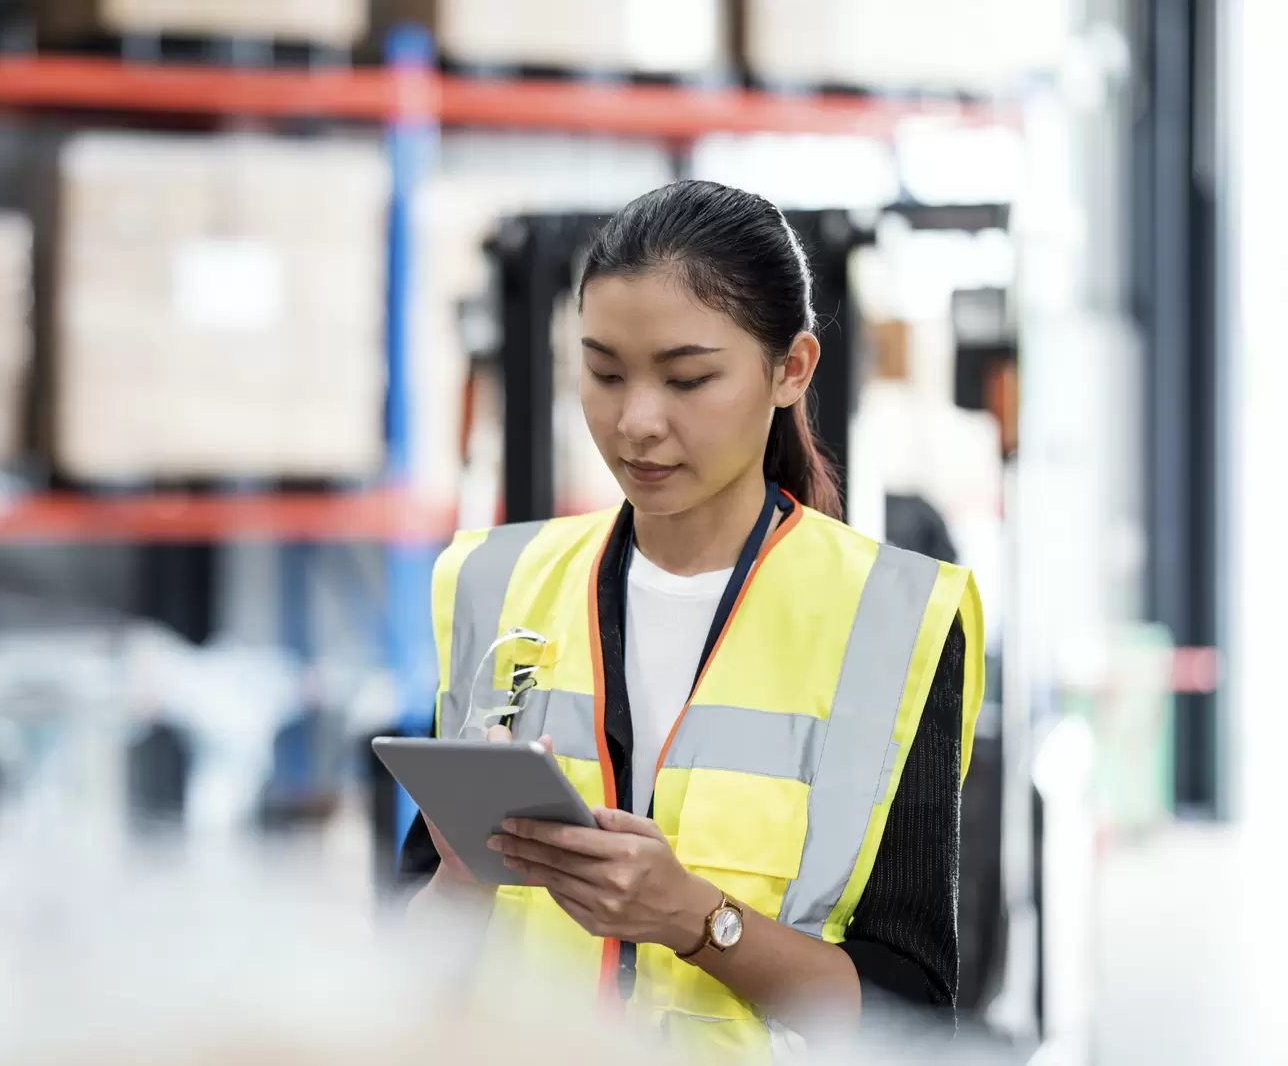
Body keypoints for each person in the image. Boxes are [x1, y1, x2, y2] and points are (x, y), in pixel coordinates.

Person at [399, 181, 983, 1060]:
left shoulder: (894, 617)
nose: (636, 421)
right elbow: (405, 961)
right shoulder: (496, 581)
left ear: (791, 370)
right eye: (602, 372)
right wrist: (455, 879)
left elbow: (911, 1009)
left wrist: (694, 920)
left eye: (687, 378)